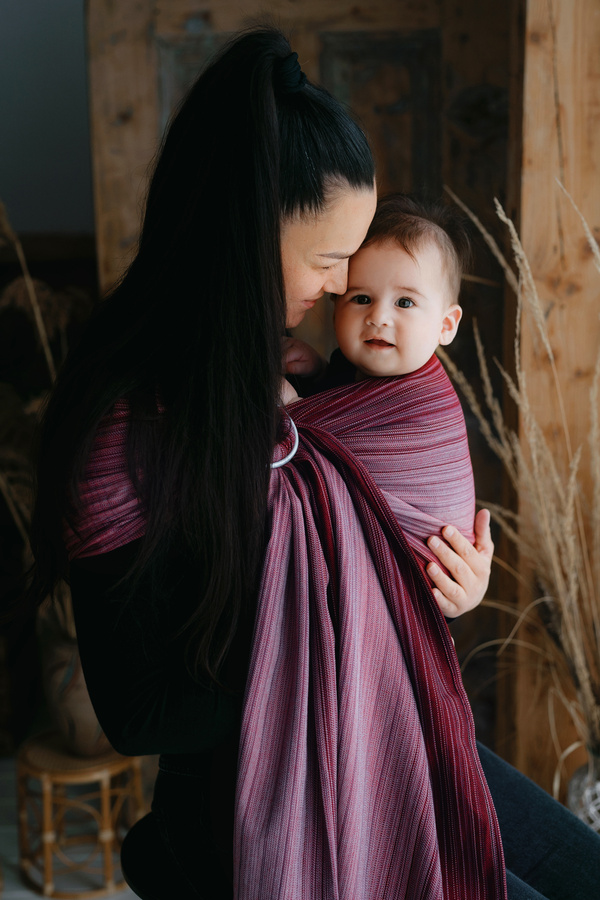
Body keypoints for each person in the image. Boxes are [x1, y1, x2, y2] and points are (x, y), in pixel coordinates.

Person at [26, 26, 599, 900]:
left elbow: (372, 488)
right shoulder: (128, 427)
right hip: (260, 781)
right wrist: (348, 621)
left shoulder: (271, 367)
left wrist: (441, 582)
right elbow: (138, 710)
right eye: (330, 260)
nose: (341, 289)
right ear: (245, 235)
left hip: (387, 718)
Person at [283, 193, 478, 615]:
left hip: (415, 588)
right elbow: (336, 437)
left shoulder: (425, 410)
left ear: (446, 325)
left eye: (404, 302)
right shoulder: (344, 370)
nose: (379, 317)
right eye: (361, 298)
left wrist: (290, 411)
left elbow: (320, 454)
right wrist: (316, 375)